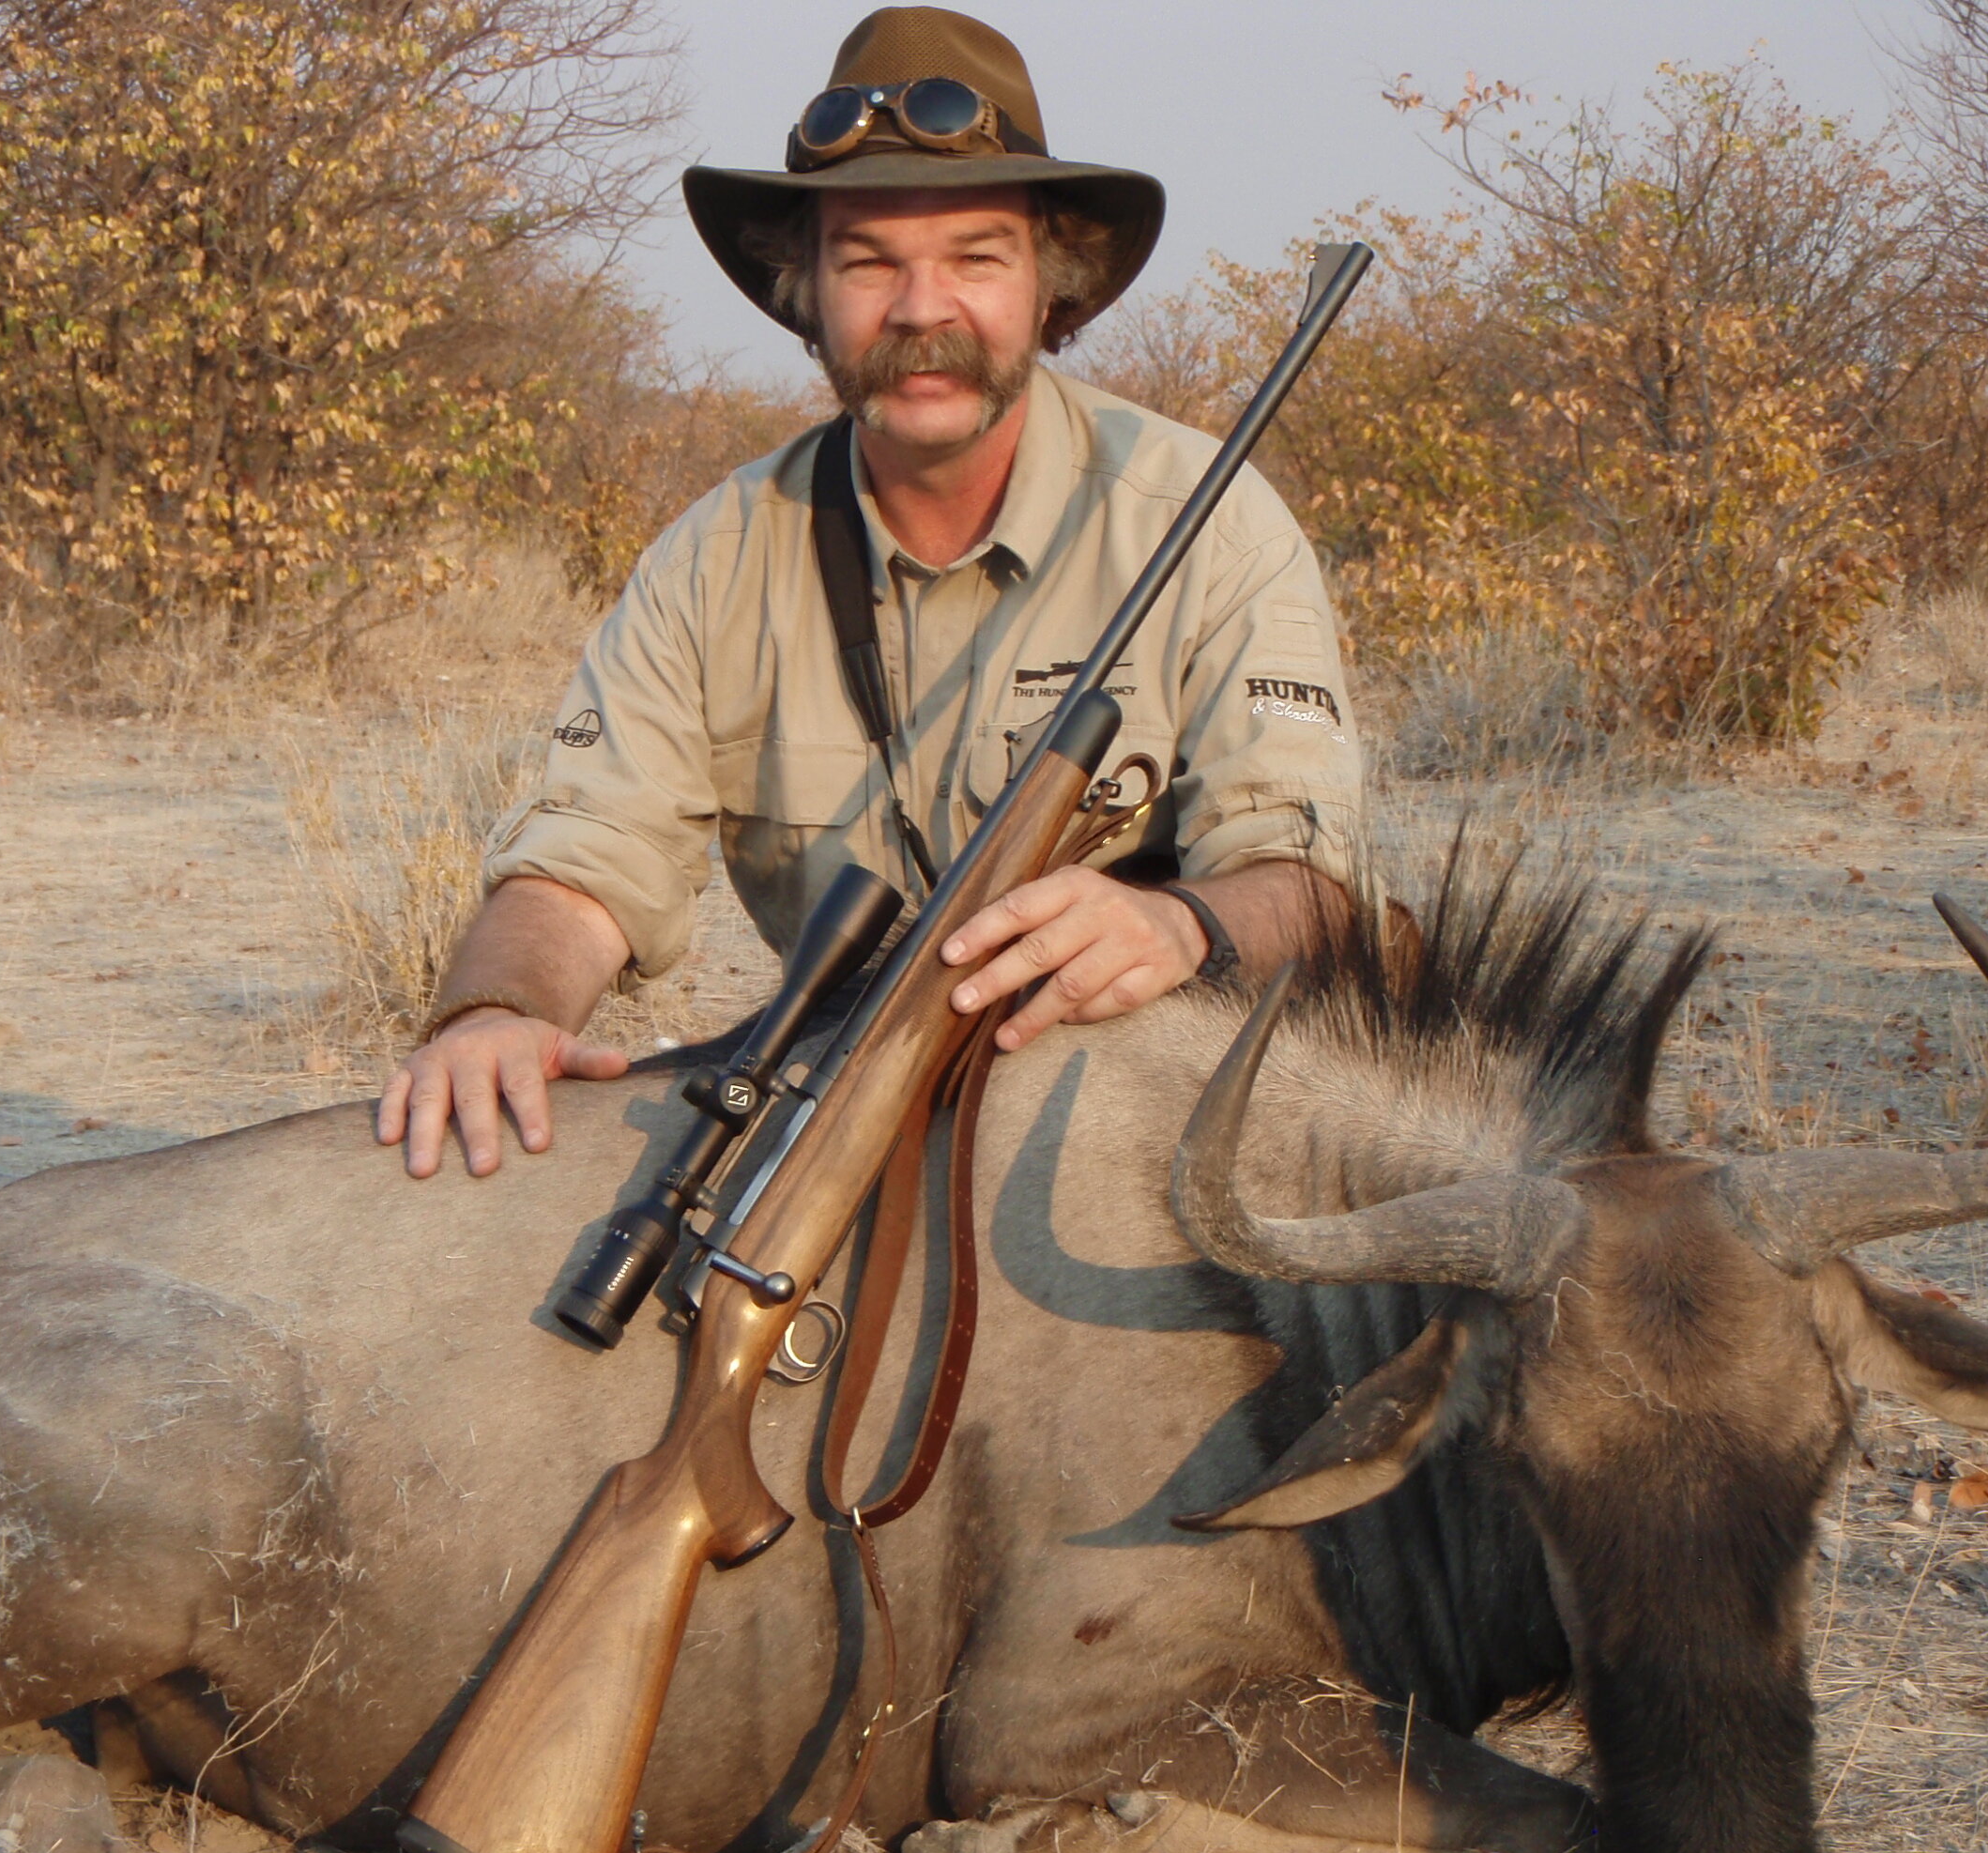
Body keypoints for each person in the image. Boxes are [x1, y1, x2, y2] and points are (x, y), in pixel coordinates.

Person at [382, 5, 1367, 1176]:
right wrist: (493, 1011)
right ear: (804, 294)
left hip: (1130, 1129)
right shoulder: (712, 557)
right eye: (868, 262)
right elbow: (586, 866)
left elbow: (1312, 890)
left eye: (975, 258)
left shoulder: (1211, 519)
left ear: (1052, 287)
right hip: (841, 1099)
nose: (920, 309)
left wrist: (1177, 924)